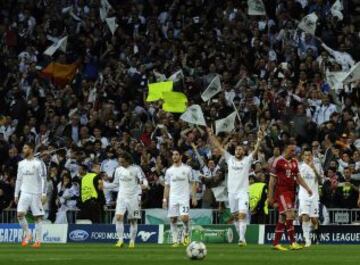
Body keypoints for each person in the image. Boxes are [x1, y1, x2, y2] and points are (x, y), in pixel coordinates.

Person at [207, 127, 264, 246]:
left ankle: (242, 239)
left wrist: (259, 139)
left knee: (242, 214)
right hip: (232, 193)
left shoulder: (248, 160)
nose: (238, 151)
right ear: (234, 151)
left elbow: (256, 150)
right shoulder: (229, 158)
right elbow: (219, 147)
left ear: (244, 152)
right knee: (236, 217)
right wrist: (211, 135)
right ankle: (240, 236)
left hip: (243, 192)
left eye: (240, 149)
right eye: (237, 149)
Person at [268, 143, 313, 251]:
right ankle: (293, 242)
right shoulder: (278, 161)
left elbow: (298, 177)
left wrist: (307, 188)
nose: (294, 153)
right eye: (292, 151)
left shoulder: (294, 162)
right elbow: (272, 181)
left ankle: (276, 243)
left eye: (295, 151)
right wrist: (270, 197)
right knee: (290, 214)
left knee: (283, 217)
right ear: (286, 150)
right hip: (281, 192)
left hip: (291, 192)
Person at [104, 152, 148, 248]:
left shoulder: (136, 169)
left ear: (128, 160)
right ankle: (120, 240)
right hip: (122, 197)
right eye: (120, 162)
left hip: (134, 198)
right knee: (119, 217)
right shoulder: (118, 170)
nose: (121, 164)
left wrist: (145, 184)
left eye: (123, 162)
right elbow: (115, 183)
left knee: (133, 220)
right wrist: (105, 185)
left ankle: (132, 241)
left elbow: (143, 179)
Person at [14, 142, 47, 248]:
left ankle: (38, 240)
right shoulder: (21, 163)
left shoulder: (39, 163)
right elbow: (18, 179)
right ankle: (28, 234)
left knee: (38, 217)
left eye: (25, 148)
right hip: (24, 192)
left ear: (31, 150)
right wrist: (16, 194)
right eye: (23, 148)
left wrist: (43, 193)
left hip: (36, 193)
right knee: (19, 214)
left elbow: (43, 179)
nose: (23, 150)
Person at [162, 149, 197, 247]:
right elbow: (167, 186)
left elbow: (193, 182)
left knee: (184, 218)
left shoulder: (187, 169)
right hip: (173, 198)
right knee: (173, 219)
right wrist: (164, 199)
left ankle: (186, 233)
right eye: (173, 155)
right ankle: (175, 240)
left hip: (184, 197)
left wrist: (194, 197)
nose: (174, 156)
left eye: (176, 154)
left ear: (181, 156)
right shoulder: (169, 171)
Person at [299, 149, 323, 247]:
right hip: (304, 194)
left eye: (309, 155)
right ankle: (307, 240)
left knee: (314, 220)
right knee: (305, 216)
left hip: (314, 195)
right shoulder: (301, 167)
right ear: (303, 157)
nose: (308, 157)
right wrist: (307, 189)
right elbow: (298, 180)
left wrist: (314, 169)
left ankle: (315, 234)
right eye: (306, 155)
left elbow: (320, 181)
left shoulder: (316, 166)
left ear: (311, 156)